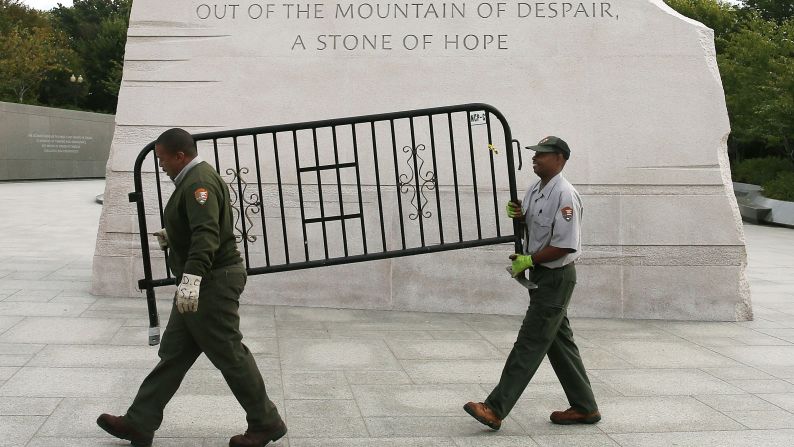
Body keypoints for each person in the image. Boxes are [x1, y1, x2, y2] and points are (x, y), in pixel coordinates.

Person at [97, 128, 286, 447]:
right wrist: (173, 236)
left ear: (179, 155)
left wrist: (192, 280)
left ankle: (266, 423)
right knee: (174, 353)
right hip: (204, 281)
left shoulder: (198, 181)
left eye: (162, 159)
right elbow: (199, 227)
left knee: (229, 353)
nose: (161, 165)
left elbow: (207, 234)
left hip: (212, 282)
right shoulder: (193, 178)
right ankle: (140, 422)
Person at [464, 136, 600, 430]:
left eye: (543, 154)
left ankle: (495, 408)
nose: (535, 158)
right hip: (543, 275)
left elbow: (565, 245)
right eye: (535, 154)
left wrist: (530, 260)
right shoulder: (536, 190)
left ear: (560, 158)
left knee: (530, 342)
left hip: (555, 277)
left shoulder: (565, 195)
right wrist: (521, 217)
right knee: (558, 343)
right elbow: (539, 227)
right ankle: (585, 407)